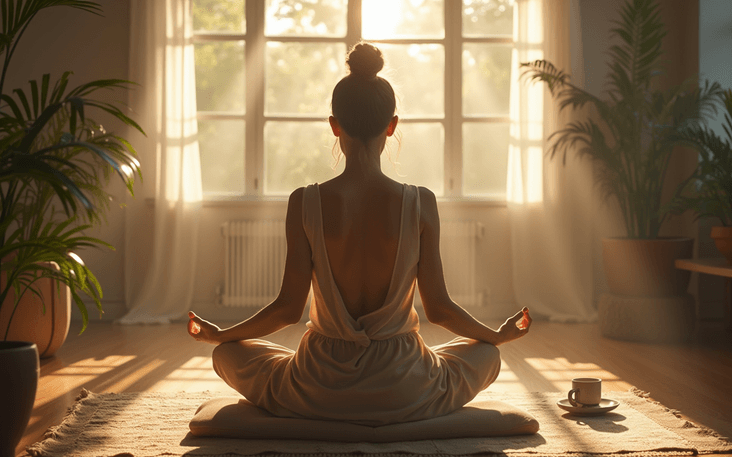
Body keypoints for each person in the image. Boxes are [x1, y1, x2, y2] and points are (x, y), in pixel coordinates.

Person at [187, 42, 532, 426]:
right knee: (487, 356)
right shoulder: (421, 203)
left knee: (226, 355)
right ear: (392, 125)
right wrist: (494, 336)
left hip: (319, 386)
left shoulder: (304, 202)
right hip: (404, 386)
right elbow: (439, 310)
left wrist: (222, 335)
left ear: (334, 125)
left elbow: (287, 309)